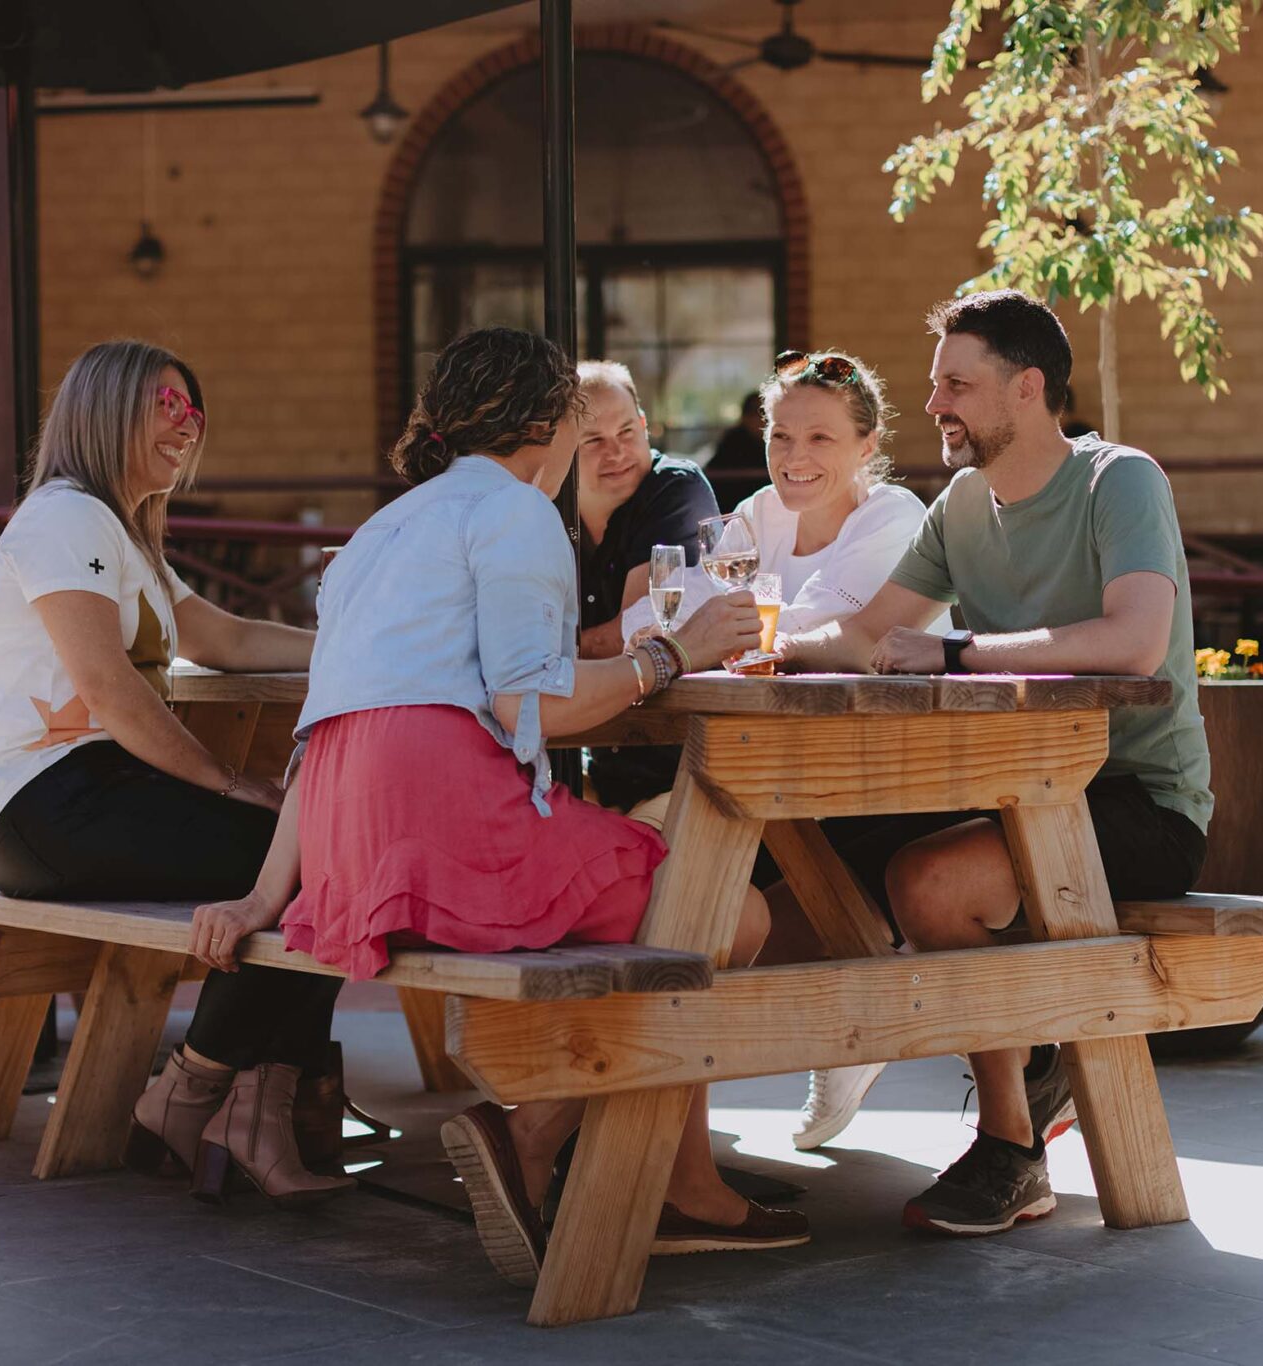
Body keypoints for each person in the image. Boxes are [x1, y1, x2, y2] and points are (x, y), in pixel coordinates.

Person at [190, 327, 807, 1286]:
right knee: (732, 908)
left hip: (354, 842)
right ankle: (531, 1128)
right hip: (448, 819)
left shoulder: (377, 535)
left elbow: (324, 736)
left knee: (681, 906)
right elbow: (535, 705)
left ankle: (679, 1181)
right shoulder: (518, 515)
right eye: (574, 416)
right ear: (545, 424)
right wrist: (671, 655)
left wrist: (263, 901)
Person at [778, 290, 1213, 1236]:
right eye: (937, 383)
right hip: (1019, 794)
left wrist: (960, 652)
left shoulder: (1118, 480)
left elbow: (1138, 641)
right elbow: (863, 632)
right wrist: (764, 644)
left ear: (1027, 389)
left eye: (956, 385)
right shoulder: (963, 505)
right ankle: (1026, 1045)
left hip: (1142, 804)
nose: (934, 404)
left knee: (929, 883)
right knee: (816, 830)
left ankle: (1013, 1149)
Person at [0, 339, 351, 1210]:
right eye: (165, 406)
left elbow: (228, 638)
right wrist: (228, 783)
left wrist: (356, 648)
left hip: (90, 796)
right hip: (48, 804)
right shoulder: (65, 519)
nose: (189, 424)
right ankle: (193, 1090)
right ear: (104, 415)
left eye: (194, 408)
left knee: (322, 852)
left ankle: (241, 1108)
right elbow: (110, 693)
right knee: (307, 855)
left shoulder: (120, 532)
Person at [614, 348, 930, 835]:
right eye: (780, 436)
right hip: (776, 761)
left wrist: (694, 638)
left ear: (867, 446)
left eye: (820, 438)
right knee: (646, 836)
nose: (794, 457)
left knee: (666, 839)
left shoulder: (894, 515)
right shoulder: (762, 512)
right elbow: (648, 617)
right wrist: (676, 636)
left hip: (884, 776)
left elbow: (819, 625)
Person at [571, 361, 721, 813]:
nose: (615, 452)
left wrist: (542, 660)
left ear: (644, 426)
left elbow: (634, 635)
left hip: (685, 763)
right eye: (593, 440)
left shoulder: (674, 489)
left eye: (627, 432)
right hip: (592, 759)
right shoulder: (546, 510)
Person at [701, 389, 766, 513]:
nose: (764, 420)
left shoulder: (771, 442)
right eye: (760, 413)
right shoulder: (733, 444)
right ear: (745, 417)